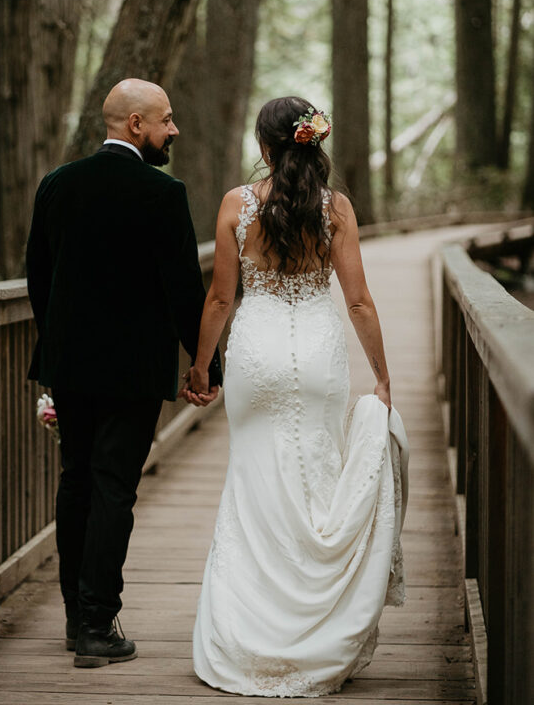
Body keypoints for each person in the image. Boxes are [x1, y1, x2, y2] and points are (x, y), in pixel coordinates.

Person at [181, 96, 408, 697]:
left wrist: (201, 368)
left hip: (255, 356)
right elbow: (358, 301)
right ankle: (317, 624)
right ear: (314, 144)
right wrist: (382, 377)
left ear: (263, 148)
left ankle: (252, 632)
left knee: (255, 482)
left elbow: (221, 301)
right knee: (316, 476)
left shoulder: (238, 204)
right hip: (319, 355)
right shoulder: (335, 208)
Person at [26, 78, 222, 668]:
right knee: (115, 487)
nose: (174, 130)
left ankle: (72, 617)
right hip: (133, 371)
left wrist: (57, 341)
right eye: (166, 120)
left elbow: (39, 275)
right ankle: (96, 624)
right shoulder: (162, 194)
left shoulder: (57, 185)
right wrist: (204, 366)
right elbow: (185, 291)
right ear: (136, 124)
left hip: (71, 364)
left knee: (77, 481)